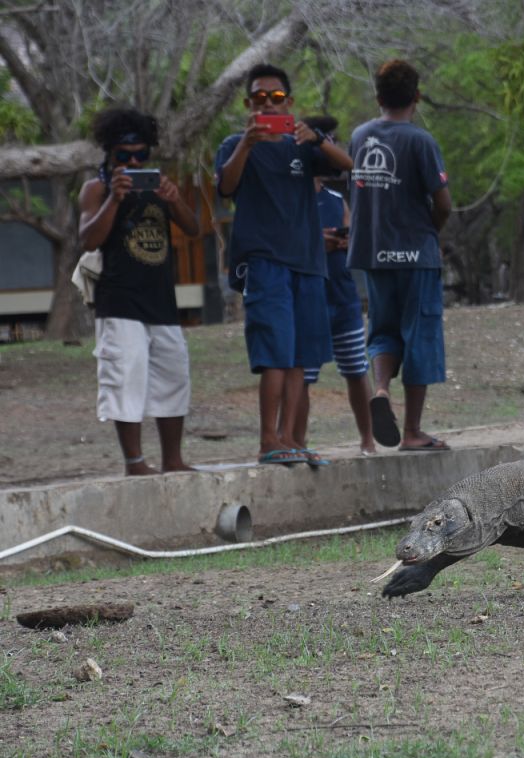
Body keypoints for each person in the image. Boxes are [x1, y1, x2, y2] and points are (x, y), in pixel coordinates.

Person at [215, 63, 353, 466]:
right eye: (259, 97)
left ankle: (292, 439)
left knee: (300, 357)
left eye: (276, 98)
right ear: (248, 103)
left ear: (289, 102)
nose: (268, 103)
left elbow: (347, 165)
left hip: (309, 265)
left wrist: (317, 138)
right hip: (265, 263)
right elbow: (225, 187)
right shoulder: (233, 144)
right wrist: (247, 143)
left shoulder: (303, 144)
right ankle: (267, 440)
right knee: (274, 355)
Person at [79, 107, 199, 476]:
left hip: (161, 300)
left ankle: (173, 460)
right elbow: (88, 239)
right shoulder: (96, 188)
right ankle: (135, 462)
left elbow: (193, 228)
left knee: (173, 376)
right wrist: (114, 200)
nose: (133, 162)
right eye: (124, 156)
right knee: (124, 378)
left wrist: (175, 198)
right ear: (109, 154)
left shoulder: (158, 185)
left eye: (141, 155)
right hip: (119, 301)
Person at [347, 59, 452, 452]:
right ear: (417, 97)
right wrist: (430, 232)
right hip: (416, 256)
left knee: (383, 330)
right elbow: (443, 203)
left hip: (374, 254)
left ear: (378, 97)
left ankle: (380, 389)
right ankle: (412, 430)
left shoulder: (358, 137)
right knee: (419, 336)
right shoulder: (421, 141)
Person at [292, 115, 374, 456]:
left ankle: (368, 440)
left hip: (342, 295)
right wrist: (315, 243)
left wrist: (344, 242)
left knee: (356, 369)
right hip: (309, 298)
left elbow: (353, 233)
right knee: (304, 376)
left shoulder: (333, 198)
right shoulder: (291, 198)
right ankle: (298, 442)